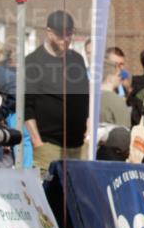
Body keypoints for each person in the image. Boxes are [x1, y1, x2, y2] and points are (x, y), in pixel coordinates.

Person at [24, 10, 89, 174]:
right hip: (49, 146)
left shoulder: (77, 59)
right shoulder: (33, 61)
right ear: (49, 32)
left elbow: (85, 98)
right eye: (61, 35)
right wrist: (37, 143)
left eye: (70, 34)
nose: (66, 39)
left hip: (79, 146)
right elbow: (27, 107)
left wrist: (88, 133)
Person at [99, 60, 131, 128]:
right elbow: (125, 130)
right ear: (110, 78)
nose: (120, 78)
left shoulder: (89, 97)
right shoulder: (116, 100)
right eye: (118, 75)